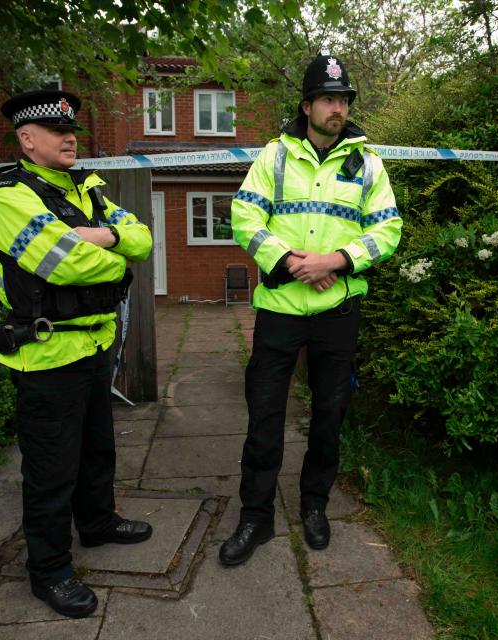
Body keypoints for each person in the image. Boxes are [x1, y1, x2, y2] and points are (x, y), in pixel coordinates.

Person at [220, 55, 403, 566]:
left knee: (329, 415)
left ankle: (314, 506)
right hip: (279, 308)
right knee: (264, 418)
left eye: (343, 99)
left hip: (337, 311)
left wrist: (337, 260)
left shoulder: (368, 163)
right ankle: (255, 517)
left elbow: (387, 229)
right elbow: (244, 215)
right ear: (306, 105)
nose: (337, 108)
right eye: (327, 98)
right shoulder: (274, 156)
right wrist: (291, 261)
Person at [0, 89, 153, 617]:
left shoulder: (87, 189)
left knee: (97, 450)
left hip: (95, 343)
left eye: (70, 128)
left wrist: (95, 235)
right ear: (27, 140)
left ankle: (97, 524)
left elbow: (143, 237)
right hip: (46, 352)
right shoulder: (10, 198)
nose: (69, 136)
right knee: (51, 470)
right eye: (55, 131)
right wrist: (115, 256)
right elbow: (65, 264)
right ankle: (50, 572)